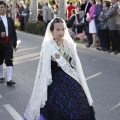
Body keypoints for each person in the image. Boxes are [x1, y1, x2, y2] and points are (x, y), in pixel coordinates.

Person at [24, 17, 95, 120]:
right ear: (52, 31)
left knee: (79, 102)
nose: (61, 32)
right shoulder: (48, 45)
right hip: (54, 78)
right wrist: (47, 84)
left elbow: (73, 64)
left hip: (69, 76)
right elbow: (45, 68)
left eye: (63, 29)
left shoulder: (69, 44)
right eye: (58, 29)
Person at [0, 1, 17, 86]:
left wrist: (15, 44)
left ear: (6, 8)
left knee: (9, 60)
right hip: (0, 44)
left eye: (2, 7)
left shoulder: (10, 20)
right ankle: (1, 76)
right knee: (0, 60)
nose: (0, 9)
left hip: (8, 43)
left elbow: (13, 32)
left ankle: (9, 79)